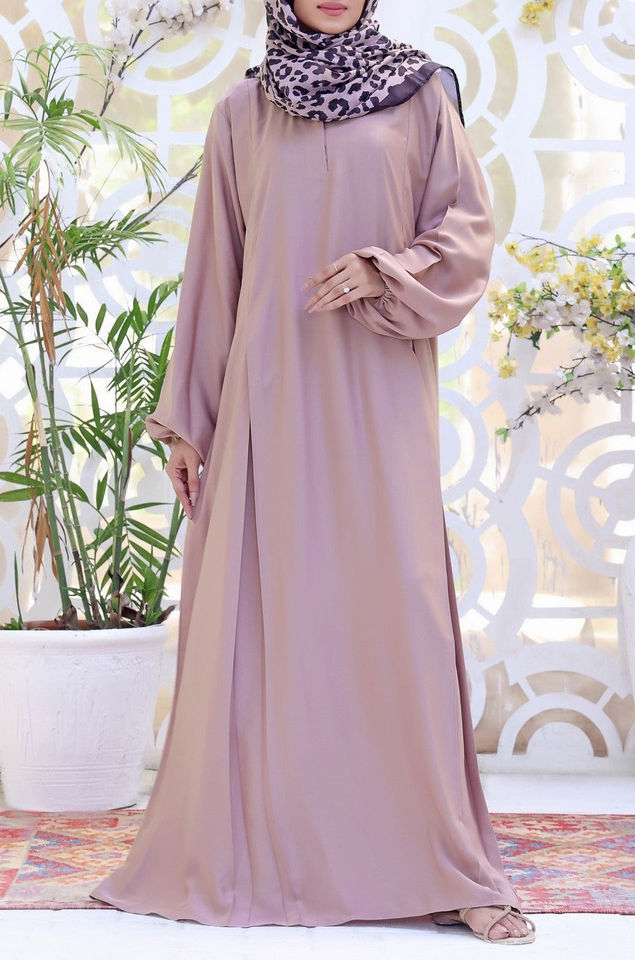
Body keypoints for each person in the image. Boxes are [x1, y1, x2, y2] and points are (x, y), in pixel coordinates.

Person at [89, 0, 536, 945]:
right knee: (277, 622)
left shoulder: (421, 95)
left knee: (396, 614)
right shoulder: (243, 113)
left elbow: (464, 233)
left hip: (378, 394)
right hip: (269, 400)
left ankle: (443, 862)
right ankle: (276, 851)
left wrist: (385, 270)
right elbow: (215, 270)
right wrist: (189, 422)